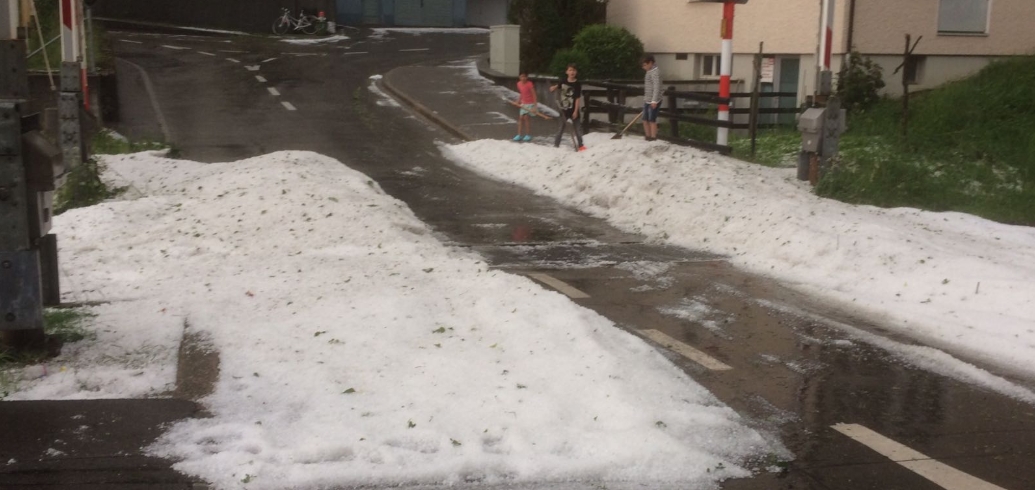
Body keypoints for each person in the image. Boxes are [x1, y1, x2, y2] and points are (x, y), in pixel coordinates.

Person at [549, 63, 586, 151]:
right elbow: (558, 86)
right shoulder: (563, 81)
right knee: (561, 128)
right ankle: (556, 145)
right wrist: (553, 88)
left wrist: (576, 111)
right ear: (567, 72)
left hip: (574, 110)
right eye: (570, 70)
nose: (572, 72)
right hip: (564, 110)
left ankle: (580, 145)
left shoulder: (577, 84)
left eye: (573, 70)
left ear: (576, 72)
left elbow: (577, 98)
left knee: (577, 129)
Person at [641, 55, 662, 141]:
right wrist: (647, 99)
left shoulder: (655, 72)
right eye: (642, 66)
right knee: (645, 119)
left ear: (650, 63)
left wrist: (654, 101)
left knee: (651, 119)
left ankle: (653, 137)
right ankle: (648, 136)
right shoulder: (648, 71)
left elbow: (656, 87)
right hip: (647, 99)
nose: (643, 67)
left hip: (654, 100)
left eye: (645, 65)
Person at [513, 71, 537, 142]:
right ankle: (519, 135)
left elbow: (534, 95)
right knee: (520, 118)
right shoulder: (519, 84)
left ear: (527, 77)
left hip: (530, 103)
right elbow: (521, 93)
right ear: (519, 77)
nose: (523, 78)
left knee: (526, 117)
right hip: (523, 103)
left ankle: (527, 135)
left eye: (524, 76)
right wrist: (518, 101)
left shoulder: (529, 84)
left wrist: (535, 106)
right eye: (521, 76)